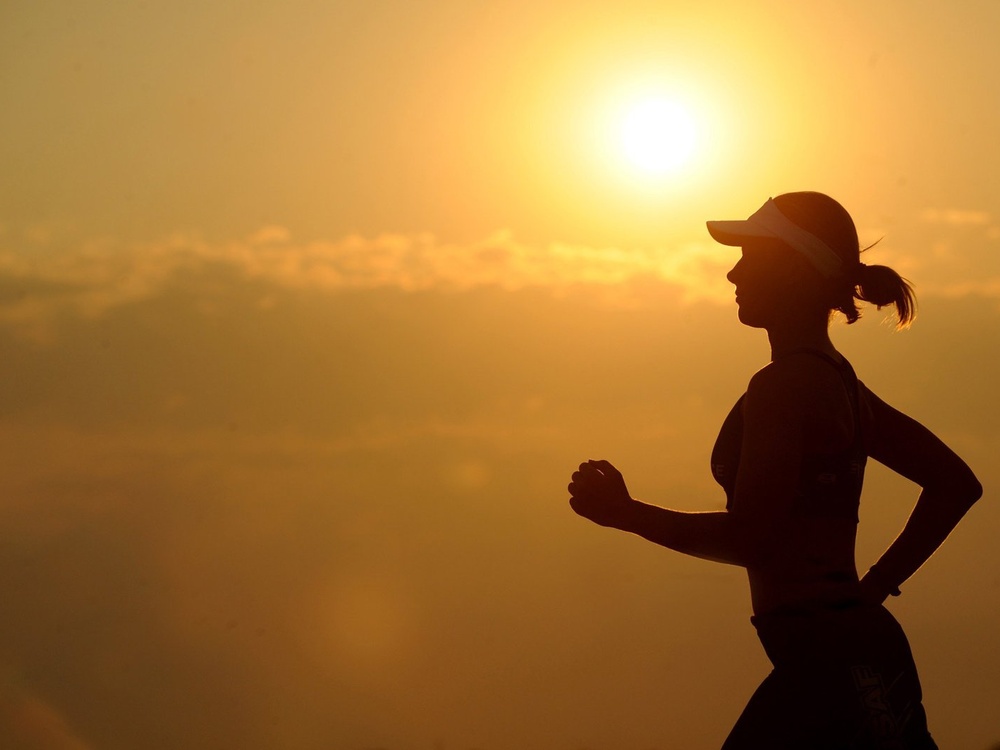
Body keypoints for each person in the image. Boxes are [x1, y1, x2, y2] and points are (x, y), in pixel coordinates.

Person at [567, 192, 983, 749]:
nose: (732, 272)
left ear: (794, 268)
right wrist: (877, 585)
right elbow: (956, 483)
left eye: (750, 256)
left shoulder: (785, 387)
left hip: (826, 663)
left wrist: (627, 514)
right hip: (856, 652)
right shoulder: (841, 386)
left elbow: (751, 538)